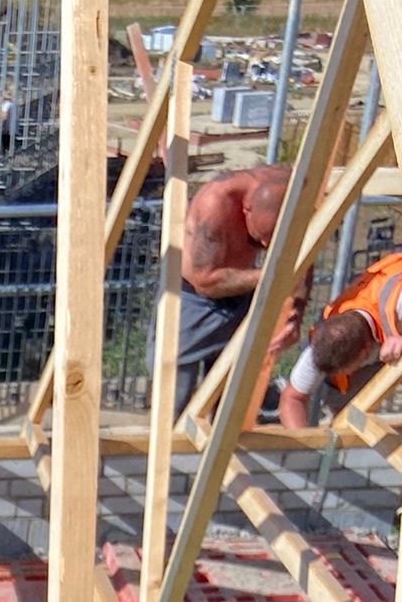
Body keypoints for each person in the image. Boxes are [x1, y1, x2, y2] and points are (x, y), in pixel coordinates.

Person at [167, 164, 306, 416]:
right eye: (259, 237)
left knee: (230, 400)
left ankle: (220, 439)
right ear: (246, 209)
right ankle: (171, 439)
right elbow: (204, 281)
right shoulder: (216, 204)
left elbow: (304, 255)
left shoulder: (296, 192)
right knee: (174, 396)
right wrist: (272, 277)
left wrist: (296, 312)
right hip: (192, 299)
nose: (265, 244)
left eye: (273, 239)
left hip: (242, 292)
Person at [278, 251, 402, 429]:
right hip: (374, 347)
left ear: (365, 351)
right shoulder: (322, 347)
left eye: (341, 370)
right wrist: (303, 444)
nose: (334, 375)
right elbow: (292, 398)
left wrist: (397, 337)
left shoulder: (396, 305)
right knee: (346, 419)